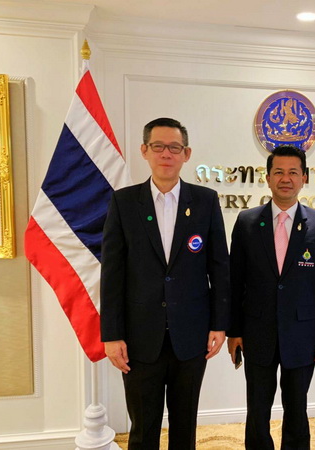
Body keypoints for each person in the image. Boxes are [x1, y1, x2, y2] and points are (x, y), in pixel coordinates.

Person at [100, 117, 230, 450]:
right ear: (144, 150)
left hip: (192, 335)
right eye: (158, 146)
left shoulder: (205, 201)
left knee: (185, 426)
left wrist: (219, 324)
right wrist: (111, 334)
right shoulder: (124, 202)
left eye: (174, 147)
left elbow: (219, 267)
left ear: (186, 154)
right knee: (143, 428)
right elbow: (112, 274)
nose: (166, 154)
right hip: (140, 337)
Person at [228, 144, 315, 450]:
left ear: (304, 178)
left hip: (302, 335)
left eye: (293, 172)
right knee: (257, 410)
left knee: (297, 410)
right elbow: (235, 282)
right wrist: (234, 331)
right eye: (278, 172)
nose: (285, 178)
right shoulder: (247, 221)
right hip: (256, 333)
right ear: (267, 178)